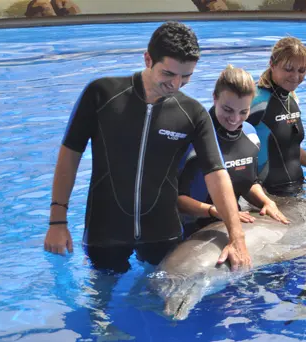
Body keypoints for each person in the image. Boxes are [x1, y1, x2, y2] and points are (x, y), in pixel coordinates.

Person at [43, 21, 251, 273]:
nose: (176, 84)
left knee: (163, 306)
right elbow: (69, 157)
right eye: (168, 74)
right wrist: (57, 221)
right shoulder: (101, 95)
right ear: (148, 59)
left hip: (163, 234)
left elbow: (217, 174)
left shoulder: (192, 113)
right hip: (106, 233)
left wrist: (236, 237)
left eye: (186, 76)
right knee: (100, 307)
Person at [177, 65, 290, 237]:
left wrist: (266, 201)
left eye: (243, 111)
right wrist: (214, 211)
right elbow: (175, 199)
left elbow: (249, 182)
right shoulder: (192, 139)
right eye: (227, 110)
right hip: (190, 231)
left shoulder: (250, 134)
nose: (235, 119)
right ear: (214, 98)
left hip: (234, 223)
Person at [247, 37, 306, 196]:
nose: (295, 76)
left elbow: (287, 148)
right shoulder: (255, 102)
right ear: (272, 64)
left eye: (301, 71)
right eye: (288, 69)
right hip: (268, 195)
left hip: (297, 189)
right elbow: (231, 149)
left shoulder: (290, 99)